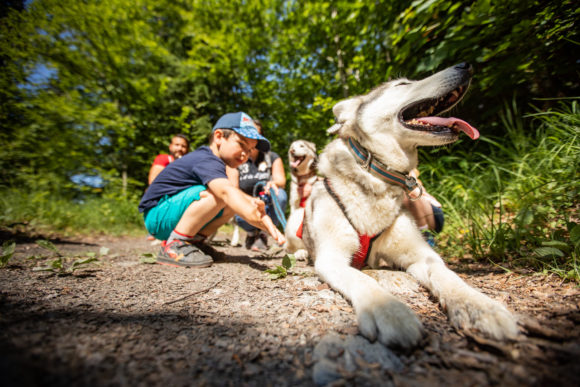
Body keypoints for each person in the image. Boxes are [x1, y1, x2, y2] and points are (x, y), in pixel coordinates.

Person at [138, 112, 286, 268]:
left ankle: (195, 242)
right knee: (222, 195)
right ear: (219, 137)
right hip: (157, 216)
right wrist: (256, 217)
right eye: (242, 144)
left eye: (250, 150)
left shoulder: (216, 162)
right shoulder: (206, 159)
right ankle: (175, 244)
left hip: (168, 214)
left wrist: (251, 201)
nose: (245, 154)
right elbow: (225, 192)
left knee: (230, 203)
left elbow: (232, 193)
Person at [229, 119, 287, 251]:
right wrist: (250, 201)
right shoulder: (235, 158)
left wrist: (273, 183)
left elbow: (281, 180)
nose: (251, 137)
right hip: (246, 203)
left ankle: (263, 234)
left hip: (268, 202)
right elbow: (232, 189)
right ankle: (251, 233)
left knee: (281, 195)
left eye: (255, 133)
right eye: (247, 133)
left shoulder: (272, 157)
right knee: (234, 202)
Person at [403, 169, 445, 247]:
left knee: (407, 194)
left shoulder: (402, 168)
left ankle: (424, 236)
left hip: (428, 213)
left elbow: (414, 190)